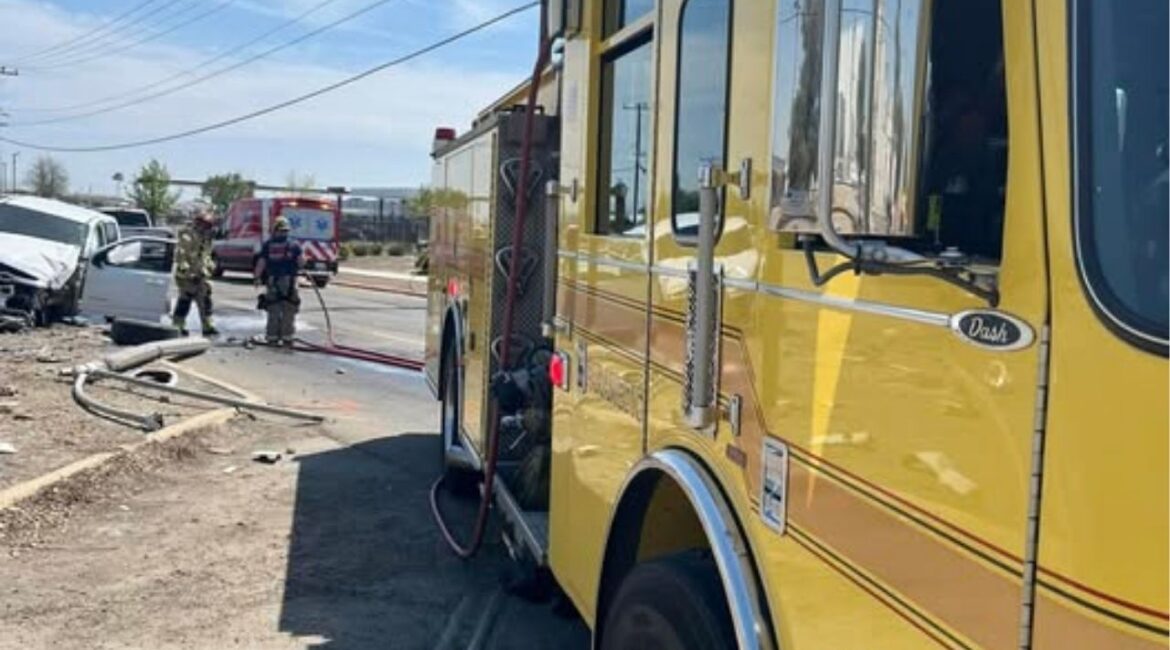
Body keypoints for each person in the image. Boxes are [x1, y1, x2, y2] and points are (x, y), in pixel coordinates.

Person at [254, 216, 303, 346]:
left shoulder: (268, 245)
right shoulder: (294, 245)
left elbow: (261, 263)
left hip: (273, 281)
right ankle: (287, 337)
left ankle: (272, 337)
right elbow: (301, 262)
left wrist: (257, 278)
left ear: (274, 230)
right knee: (289, 309)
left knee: (273, 309)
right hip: (290, 282)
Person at [172, 207, 218, 336]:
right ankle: (178, 326)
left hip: (201, 276)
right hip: (188, 277)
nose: (208, 229)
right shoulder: (187, 237)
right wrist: (189, 273)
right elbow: (181, 257)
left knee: (206, 302)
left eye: (209, 226)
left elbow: (206, 257)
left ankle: (208, 326)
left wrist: (210, 267)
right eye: (206, 225)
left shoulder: (206, 240)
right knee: (185, 301)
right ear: (199, 224)